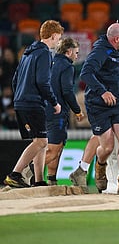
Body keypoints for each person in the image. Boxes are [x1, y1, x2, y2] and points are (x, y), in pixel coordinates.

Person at [3, 20, 63, 188]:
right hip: (32, 103)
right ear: (53, 36)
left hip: (22, 101)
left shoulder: (28, 52)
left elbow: (15, 79)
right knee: (42, 142)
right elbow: (43, 82)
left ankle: (39, 180)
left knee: (41, 139)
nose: (58, 42)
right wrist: (54, 102)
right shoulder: (44, 53)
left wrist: (20, 96)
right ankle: (15, 174)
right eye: (58, 38)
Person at [79, 22, 119, 195]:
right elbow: (86, 74)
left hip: (118, 104)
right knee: (107, 147)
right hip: (99, 105)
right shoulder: (100, 52)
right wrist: (102, 92)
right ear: (116, 39)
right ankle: (100, 164)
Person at [44, 37, 85, 186]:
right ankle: (24, 171)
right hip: (57, 112)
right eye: (76, 52)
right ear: (68, 52)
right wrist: (77, 110)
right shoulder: (67, 66)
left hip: (45, 109)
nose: (77, 56)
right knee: (54, 149)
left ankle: (51, 180)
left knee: (57, 146)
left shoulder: (50, 63)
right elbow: (67, 91)